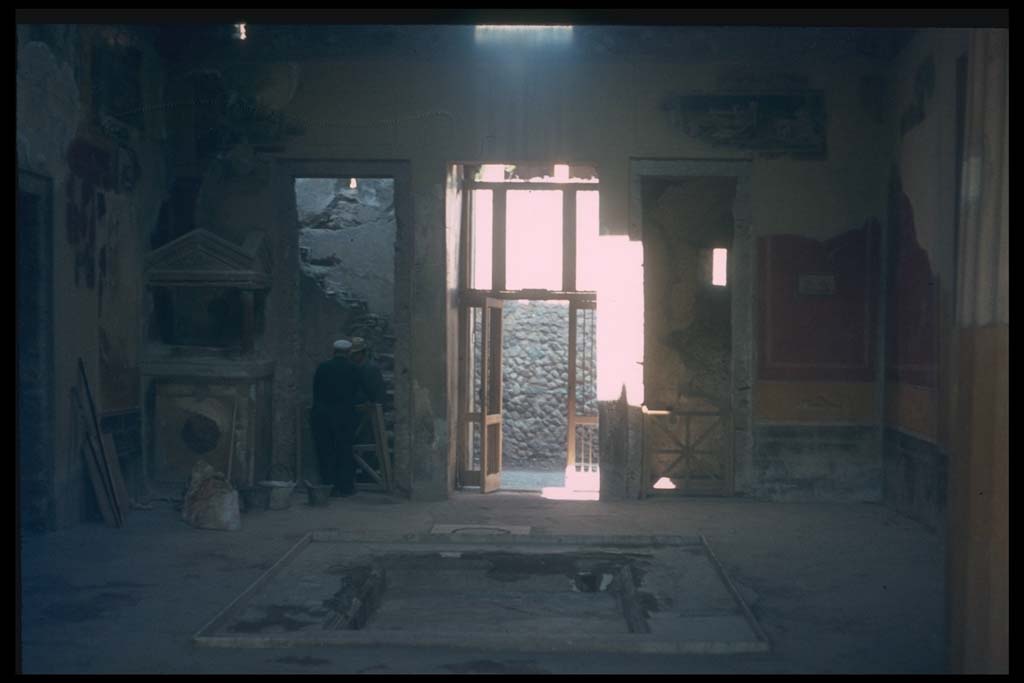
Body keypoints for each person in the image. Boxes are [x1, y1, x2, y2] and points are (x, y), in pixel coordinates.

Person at [310, 339, 368, 497]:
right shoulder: (354, 369)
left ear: (334, 352)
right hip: (344, 417)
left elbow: (316, 393)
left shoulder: (322, 368)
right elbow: (362, 394)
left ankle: (329, 486)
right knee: (344, 451)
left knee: (326, 451)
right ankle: (345, 487)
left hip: (322, 416)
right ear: (348, 353)